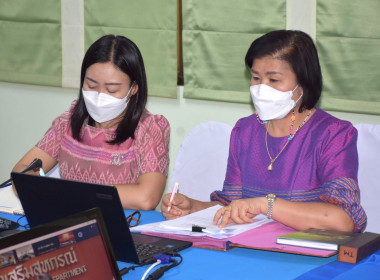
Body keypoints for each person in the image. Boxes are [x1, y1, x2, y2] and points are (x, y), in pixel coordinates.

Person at [162, 30, 367, 233]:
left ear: (303, 82)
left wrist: (266, 205)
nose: (261, 88)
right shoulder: (245, 130)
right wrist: (192, 208)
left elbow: (344, 220)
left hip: (306, 254)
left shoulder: (334, 134)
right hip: (248, 248)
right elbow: (233, 205)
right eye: (256, 78)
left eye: (274, 80)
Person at [12, 35, 170, 210]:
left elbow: (146, 198)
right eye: (91, 86)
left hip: (125, 226)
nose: (100, 95)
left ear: (134, 88)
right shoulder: (68, 123)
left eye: (112, 89)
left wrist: (68, 193)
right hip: (71, 222)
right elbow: (22, 172)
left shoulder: (150, 129)